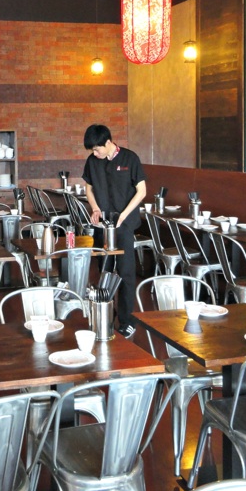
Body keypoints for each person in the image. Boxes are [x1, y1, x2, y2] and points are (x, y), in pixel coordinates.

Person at [81, 124, 146, 339]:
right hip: (103, 225)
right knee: (105, 272)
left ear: (108, 142)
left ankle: (127, 321)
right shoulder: (93, 162)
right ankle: (107, 316)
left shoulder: (130, 159)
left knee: (126, 272)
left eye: (97, 149)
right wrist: (95, 208)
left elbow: (141, 191)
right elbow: (88, 188)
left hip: (124, 225)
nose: (95, 153)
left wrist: (124, 215)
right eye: (92, 150)